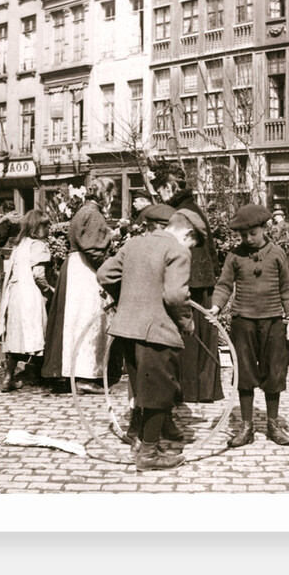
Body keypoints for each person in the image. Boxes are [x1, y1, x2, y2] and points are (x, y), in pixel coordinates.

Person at [97, 209, 207, 471]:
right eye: (193, 243)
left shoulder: (134, 243)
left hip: (127, 330)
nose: (191, 248)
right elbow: (175, 297)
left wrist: (128, 299)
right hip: (157, 331)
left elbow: (104, 275)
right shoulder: (179, 251)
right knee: (159, 393)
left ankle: (141, 442)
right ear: (188, 233)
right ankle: (149, 454)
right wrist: (186, 323)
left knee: (143, 391)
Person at [209, 204, 289, 447]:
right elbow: (225, 284)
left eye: (253, 234)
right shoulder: (234, 256)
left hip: (273, 322)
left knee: (274, 372)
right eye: (243, 235)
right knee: (244, 373)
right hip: (243, 322)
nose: (248, 239)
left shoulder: (278, 253)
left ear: (264, 228)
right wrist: (216, 306)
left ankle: (272, 424)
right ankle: (246, 427)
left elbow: (287, 289)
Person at [152, 162, 223, 412]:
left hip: (186, 282)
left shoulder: (178, 213)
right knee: (200, 337)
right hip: (202, 281)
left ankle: (187, 390)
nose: (158, 195)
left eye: (160, 189)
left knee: (188, 337)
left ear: (170, 187)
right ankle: (201, 390)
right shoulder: (193, 209)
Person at [42, 177, 116, 395]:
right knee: (88, 321)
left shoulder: (82, 211)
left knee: (73, 323)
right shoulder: (93, 214)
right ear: (104, 194)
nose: (111, 200)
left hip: (75, 268)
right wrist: (110, 268)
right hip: (85, 271)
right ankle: (85, 377)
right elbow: (94, 250)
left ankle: (71, 373)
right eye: (111, 195)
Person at [116, 202, 177, 446]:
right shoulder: (164, 247)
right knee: (149, 377)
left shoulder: (134, 245)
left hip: (144, 320)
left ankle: (161, 421)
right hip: (150, 323)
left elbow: (106, 275)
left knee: (150, 375)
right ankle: (138, 421)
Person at [0, 210, 52, 392]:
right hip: (30, 294)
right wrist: (49, 290)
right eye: (46, 225)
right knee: (38, 332)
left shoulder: (20, 245)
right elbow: (39, 275)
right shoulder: (38, 246)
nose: (49, 228)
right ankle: (42, 376)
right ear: (37, 228)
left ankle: (8, 378)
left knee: (15, 335)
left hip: (15, 293)